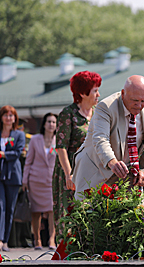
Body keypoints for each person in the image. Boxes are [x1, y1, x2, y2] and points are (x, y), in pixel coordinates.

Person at [72, 75, 144, 196]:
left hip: (127, 174)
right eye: (135, 100)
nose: (139, 105)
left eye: (143, 101)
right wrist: (113, 162)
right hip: (97, 171)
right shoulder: (106, 107)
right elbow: (100, 140)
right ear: (123, 93)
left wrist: (143, 170)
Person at [52, 71, 101, 230]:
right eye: (95, 90)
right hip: (71, 170)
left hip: (92, 170)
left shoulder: (98, 113)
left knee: (90, 216)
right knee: (69, 216)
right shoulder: (68, 114)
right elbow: (61, 147)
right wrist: (69, 174)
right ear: (82, 93)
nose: (98, 94)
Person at [22, 113, 58, 250]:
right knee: (36, 211)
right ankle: (37, 240)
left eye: (54, 122)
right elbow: (28, 161)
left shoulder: (58, 141)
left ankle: (52, 240)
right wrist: (25, 180)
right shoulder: (35, 139)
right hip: (35, 180)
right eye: (48, 121)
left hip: (51, 182)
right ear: (44, 124)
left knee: (51, 211)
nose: (51, 124)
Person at [0, 105, 26, 252]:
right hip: (0, 175)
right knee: (0, 206)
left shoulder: (19, 134)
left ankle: (5, 240)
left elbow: (17, 153)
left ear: (14, 118)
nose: (8, 118)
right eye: (5, 115)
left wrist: (3, 155)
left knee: (9, 208)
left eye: (11, 115)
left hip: (13, 175)